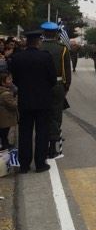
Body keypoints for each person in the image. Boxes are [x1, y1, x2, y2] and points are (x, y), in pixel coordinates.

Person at [10, 30, 57, 173]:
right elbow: (53, 79)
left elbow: (15, 79)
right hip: (43, 101)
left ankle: (24, 165)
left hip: (25, 100)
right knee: (42, 132)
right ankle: (40, 163)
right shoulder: (45, 57)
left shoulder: (17, 57)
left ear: (27, 42)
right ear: (38, 42)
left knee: (25, 133)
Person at [41, 21, 71, 160]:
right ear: (56, 34)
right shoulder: (62, 49)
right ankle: (52, 147)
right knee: (55, 115)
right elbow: (66, 70)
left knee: (42, 114)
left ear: (43, 33)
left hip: (40, 86)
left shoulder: (38, 47)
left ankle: (42, 143)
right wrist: (66, 87)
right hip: (58, 85)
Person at [0, 72, 17, 150]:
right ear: (3, 83)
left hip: (3, 119)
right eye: (9, 79)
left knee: (4, 133)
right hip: (6, 119)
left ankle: (5, 144)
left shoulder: (3, 92)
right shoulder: (6, 94)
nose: (11, 80)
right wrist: (17, 100)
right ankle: (5, 146)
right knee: (4, 133)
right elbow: (14, 105)